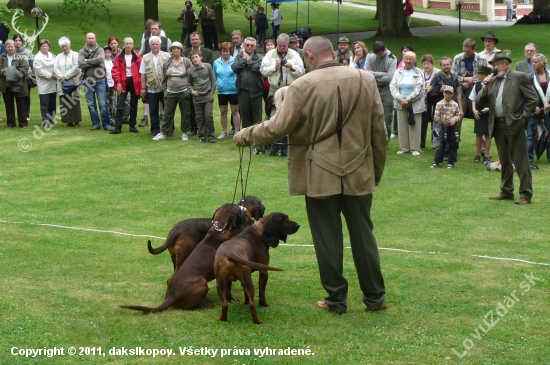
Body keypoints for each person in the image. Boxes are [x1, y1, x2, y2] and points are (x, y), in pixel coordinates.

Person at [234, 36, 388, 314]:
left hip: (320, 173)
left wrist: (245, 134)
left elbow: (276, 127)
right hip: (359, 171)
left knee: (327, 239)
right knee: (364, 236)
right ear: (331, 52)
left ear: (309, 56)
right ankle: (375, 298)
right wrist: (375, 171)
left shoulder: (302, 85)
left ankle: (337, 300)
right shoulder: (366, 79)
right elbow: (380, 133)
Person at [477, 51, 538, 205]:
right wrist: (485, 86)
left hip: (514, 124)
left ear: (506, 64)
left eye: (497, 64)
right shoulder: (494, 81)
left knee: (520, 160)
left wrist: (524, 118)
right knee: (504, 160)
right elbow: (480, 101)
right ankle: (506, 191)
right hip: (497, 124)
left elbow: (533, 99)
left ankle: (525, 194)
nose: (495, 68)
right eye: (493, 65)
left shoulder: (519, 77)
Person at [154, 42, 192, 141]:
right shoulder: (167, 62)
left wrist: (189, 89)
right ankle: (163, 133)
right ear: (171, 50)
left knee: (185, 113)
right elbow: (164, 77)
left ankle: (184, 132)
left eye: (178, 48)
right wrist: (165, 89)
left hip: (183, 91)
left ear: (181, 50)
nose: (176, 50)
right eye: (174, 48)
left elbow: (191, 76)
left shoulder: (187, 61)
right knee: (167, 113)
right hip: (170, 91)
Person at [390, 51, 425, 155]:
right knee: (402, 126)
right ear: (403, 59)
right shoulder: (398, 72)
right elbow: (393, 86)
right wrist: (400, 99)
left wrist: (408, 99)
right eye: (406, 59)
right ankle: (404, 148)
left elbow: (420, 88)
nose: (408, 61)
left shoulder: (419, 72)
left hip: (414, 103)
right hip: (400, 103)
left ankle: (415, 149)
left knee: (415, 126)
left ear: (414, 61)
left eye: (411, 59)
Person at [232, 37, 263, 152]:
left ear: (255, 47)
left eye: (252, 45)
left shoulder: (259, 57)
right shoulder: (239, 56)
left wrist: (248, 61)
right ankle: (247, 139)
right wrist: (243, 60)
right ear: (244, 46)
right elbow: (234, 68)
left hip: (256, 91)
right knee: (245, 116)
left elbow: (258, 68)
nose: (249, 47)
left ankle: (258, 141)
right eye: (247, 45)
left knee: (257, 116)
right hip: (242, 91)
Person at [451, 38, 487, 128]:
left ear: (474, 48)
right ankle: (455, 138)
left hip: (477, 91)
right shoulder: (457, 58)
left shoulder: (482, 59)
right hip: (462, 91)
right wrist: (465, 79)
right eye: (464, 50)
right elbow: (452, 76)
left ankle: (480, 138)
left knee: (478, 112)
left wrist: (471, 82)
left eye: (468, 51)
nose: (466, 53)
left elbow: (485, 77)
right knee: (459, 113)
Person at [78, 32, 112, 131]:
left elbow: (101, 60)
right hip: (88, 81)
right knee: (91, 104)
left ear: (95, 39)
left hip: (100, 80)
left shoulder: (100, 49)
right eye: (89, 38)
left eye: (93, 38)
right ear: (86, 39)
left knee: (102, 103)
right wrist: (94, 61)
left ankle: (106, 124)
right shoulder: (82, 51)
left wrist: (87, 61)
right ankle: (95, 123)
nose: (91, 40)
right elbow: (80, 64)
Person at [428, 56, 463, 150]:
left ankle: (451, 145)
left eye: (448, 64)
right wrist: (439, 89)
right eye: (444, 65)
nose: (446, 66)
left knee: (451, 126)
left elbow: (459, 94)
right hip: (440, 106)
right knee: (438, 127)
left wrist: (461, 109)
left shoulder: (455, 78)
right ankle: (436, 147)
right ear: (441, 66)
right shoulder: (437, 76)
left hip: (452, 106)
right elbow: (429, 89)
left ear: (451, 65)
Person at [139, 35, 170, 136]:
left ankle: (169, 129)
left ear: (160, 45)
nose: (155, 46)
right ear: (150, 46)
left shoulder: (167, 56)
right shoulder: (145, 57)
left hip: (165, 88)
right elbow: (143, 73)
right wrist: (143, 88)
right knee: (153, 110)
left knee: (168, 109)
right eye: (153, 44)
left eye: (157, 44)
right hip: (152, 88)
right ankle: (155, 130)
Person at [184, 32, 213, 136]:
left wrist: (211, 88)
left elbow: (211, 70)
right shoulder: (186, 52)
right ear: (190, 41)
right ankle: (193, 128)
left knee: (206, 111)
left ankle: (207, 129)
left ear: (200, 40)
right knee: (191, 107)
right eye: (192, 39)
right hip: (191, 83)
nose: (195, 41)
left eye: (196, 39)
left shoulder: (208, 52)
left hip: (205, 86)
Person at [366, 41, 397, 139]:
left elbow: (390, 78)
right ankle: (372, 138)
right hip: (372, 87)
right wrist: (382, 73)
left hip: (386, 88)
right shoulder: (370, 56)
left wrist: (373, 74)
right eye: (377, 54)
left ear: (385, 50)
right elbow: (365, 73)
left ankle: (385, 139)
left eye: (380, 54)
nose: (379, 56)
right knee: (370, 113)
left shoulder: (392, 58)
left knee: (386, 114)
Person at [111, 37, 142, 135]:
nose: (129, 45)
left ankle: (132, 126)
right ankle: (118, 127)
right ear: (124, 45)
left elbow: (141, 72)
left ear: (133, 45)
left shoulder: (137, 56)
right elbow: (115, 70)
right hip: (122, 82)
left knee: (134, 105)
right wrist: (118, 83)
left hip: (134, 82)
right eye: (127, 44)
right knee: (120, 104)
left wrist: (141, 85)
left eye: (130, 43)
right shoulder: (119, 56)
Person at [260, 33, 305, 98]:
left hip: (291, 88)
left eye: (284, 46)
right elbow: (263, 71)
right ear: (277, 43)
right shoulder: (270, 54)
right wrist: (274, 67)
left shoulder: (294, 54)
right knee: (274, 108)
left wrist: (291, 67)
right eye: (280, 45)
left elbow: (302, 72)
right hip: (274, 89)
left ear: (288, 44)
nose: (281, 47)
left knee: (291, 108)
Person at [188, 49, 216, 143]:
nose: (195, 59)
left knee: (208, 116)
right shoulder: (190, 70)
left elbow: (213, 79)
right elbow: (189, 83)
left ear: (200, 57)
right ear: (191, 60)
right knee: (199, 117)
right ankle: (202, 135)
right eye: (193, 58)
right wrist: (192, 91)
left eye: (196, 57)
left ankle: (211, 135)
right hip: (197, 96)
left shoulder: (207, 66)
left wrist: (212, 91)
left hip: (207, 95)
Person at [527, 53, 550, 166]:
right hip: (534, 110)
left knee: (549, 133)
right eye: (532, 62)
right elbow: (526, 94)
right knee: (531, 134)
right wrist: (533, 106)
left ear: (543, 63)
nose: (533, 64)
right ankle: (528, 160)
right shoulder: (530, 77)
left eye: (536, 62)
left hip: (548, 111)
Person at [0, 39, 29, 128]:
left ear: (14, 47)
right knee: (9, 105)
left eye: (12, 46)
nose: (10, 48)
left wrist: (16, 74)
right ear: (5, 48)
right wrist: (4, 73)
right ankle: (10, 123)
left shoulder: (21, 56)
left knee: (21, 104)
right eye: (8, 47)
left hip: (19, 84)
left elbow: (25, 68)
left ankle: (23, 123)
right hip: (6, 84)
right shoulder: (2, 57)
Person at [213, 42, 240, 139]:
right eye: (223, 51)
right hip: (221, 91)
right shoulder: (216, 62)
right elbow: (214, 76)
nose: (225, 53)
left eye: (227, 51)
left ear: (230, 51)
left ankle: (237, 131)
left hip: (233, 90)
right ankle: (224, 131)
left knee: (235, 110)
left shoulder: (235, 61)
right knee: (223, 111)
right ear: (221, 51)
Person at [431, 86, 461, 169]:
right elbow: (436, 115)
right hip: (443, 127)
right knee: (441, 144)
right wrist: (436, 118)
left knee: (453, 144)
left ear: (452, 94)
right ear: (443, 93)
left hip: (452, 127)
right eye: (446, 93)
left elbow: (458, 115)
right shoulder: (439, 104)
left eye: (449, 93)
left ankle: (451, 162)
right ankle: (436, 161)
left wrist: (454, 119)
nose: (447, 95)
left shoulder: (455, 104)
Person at [54, 36, 82, 127]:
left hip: (72, 81)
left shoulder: (75, 54)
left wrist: (65, 76)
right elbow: (55, 68)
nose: (64, 48)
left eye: (66, 46)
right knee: (64, 101)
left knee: (74, 100)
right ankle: (68, 121)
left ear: (69, 45)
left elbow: (76, 67)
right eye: (63, 47)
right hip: (62, 82)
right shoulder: (58, 56)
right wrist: (61, 77)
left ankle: (76, 121)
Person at [469, 65, 492, 165]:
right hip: (478, 112)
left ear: (486, 75)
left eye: (479, 73)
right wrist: (474, 109)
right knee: (478, 134)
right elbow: (473, 98)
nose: (477, 75)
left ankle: (486, 155)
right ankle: (478, 154)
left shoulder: (493, 84)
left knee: (487, 134)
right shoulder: (477, 84)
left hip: (488, 111)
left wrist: (490, 109)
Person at [34, 39, 57, 128]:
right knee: (44, 104)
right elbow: (40, 71)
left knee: (52, 103)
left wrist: (56, 74)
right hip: (43, 83)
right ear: (40, 47)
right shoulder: (37, 57)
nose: (44, 47)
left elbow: (56, 65)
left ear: (49, 47)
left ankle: (52, 119)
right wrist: (51, 75)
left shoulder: (52, 56)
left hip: (52, 82)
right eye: (42, 46)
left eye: (46, 46)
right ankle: (45, 121)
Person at [420, 54, 440, 149]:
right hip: (422, 102)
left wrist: (433, 89)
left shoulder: (438, 73)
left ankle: (435, 143)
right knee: (422, 122)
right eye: (424, 64)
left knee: (435, 122)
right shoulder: (420, 73)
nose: (426, 66)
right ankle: (421, 143)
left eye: (428, 64)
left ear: (432, 64)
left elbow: (441, 86)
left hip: (434, 102)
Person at [13, 34, 34, 122]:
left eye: (19, 40)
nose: (17, 42)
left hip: (26, 77)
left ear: (22, 42)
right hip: (14, 78)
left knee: (26, 96)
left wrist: (31, 74)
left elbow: (32, 65)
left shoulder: (28, 52)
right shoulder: (11, 51)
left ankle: (26, 114)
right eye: (16, 40)